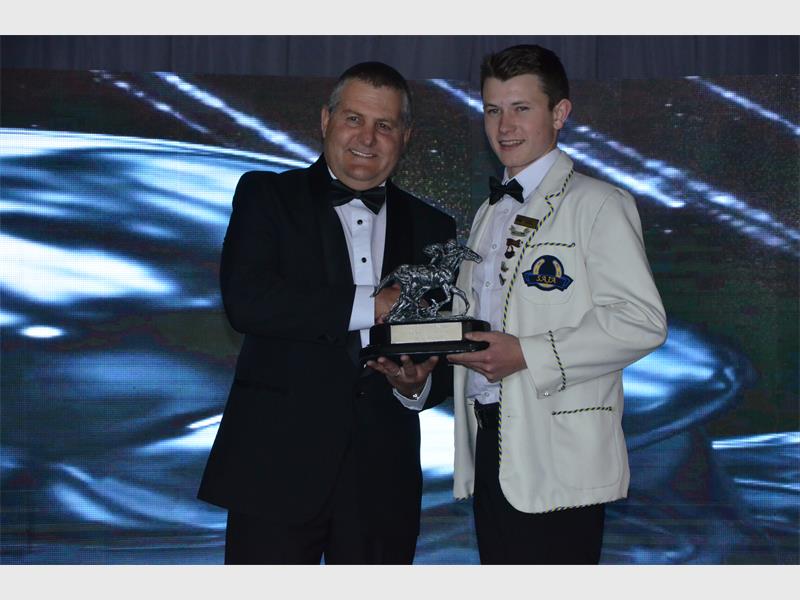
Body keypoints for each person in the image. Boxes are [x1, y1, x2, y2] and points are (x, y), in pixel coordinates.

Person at [198, 61, 456, 564]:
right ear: (325, 120)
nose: (367, 138)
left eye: (385, 125)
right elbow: (247, 301)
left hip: (383, 485)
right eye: (354, 119)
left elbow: (439, 345)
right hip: (273, 472)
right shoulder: (267, 196)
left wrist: (417, 386)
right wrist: (372, 305)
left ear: (405, 137)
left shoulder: (434, 228)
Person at [447, 44, 667, 564]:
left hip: (560, 452)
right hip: (489, 440)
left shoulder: (599, 203)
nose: (504, 126)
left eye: (521, 108)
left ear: (559, 113)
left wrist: (528, 353)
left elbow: (642, 322)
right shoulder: (487, 212)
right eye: (493, 110)